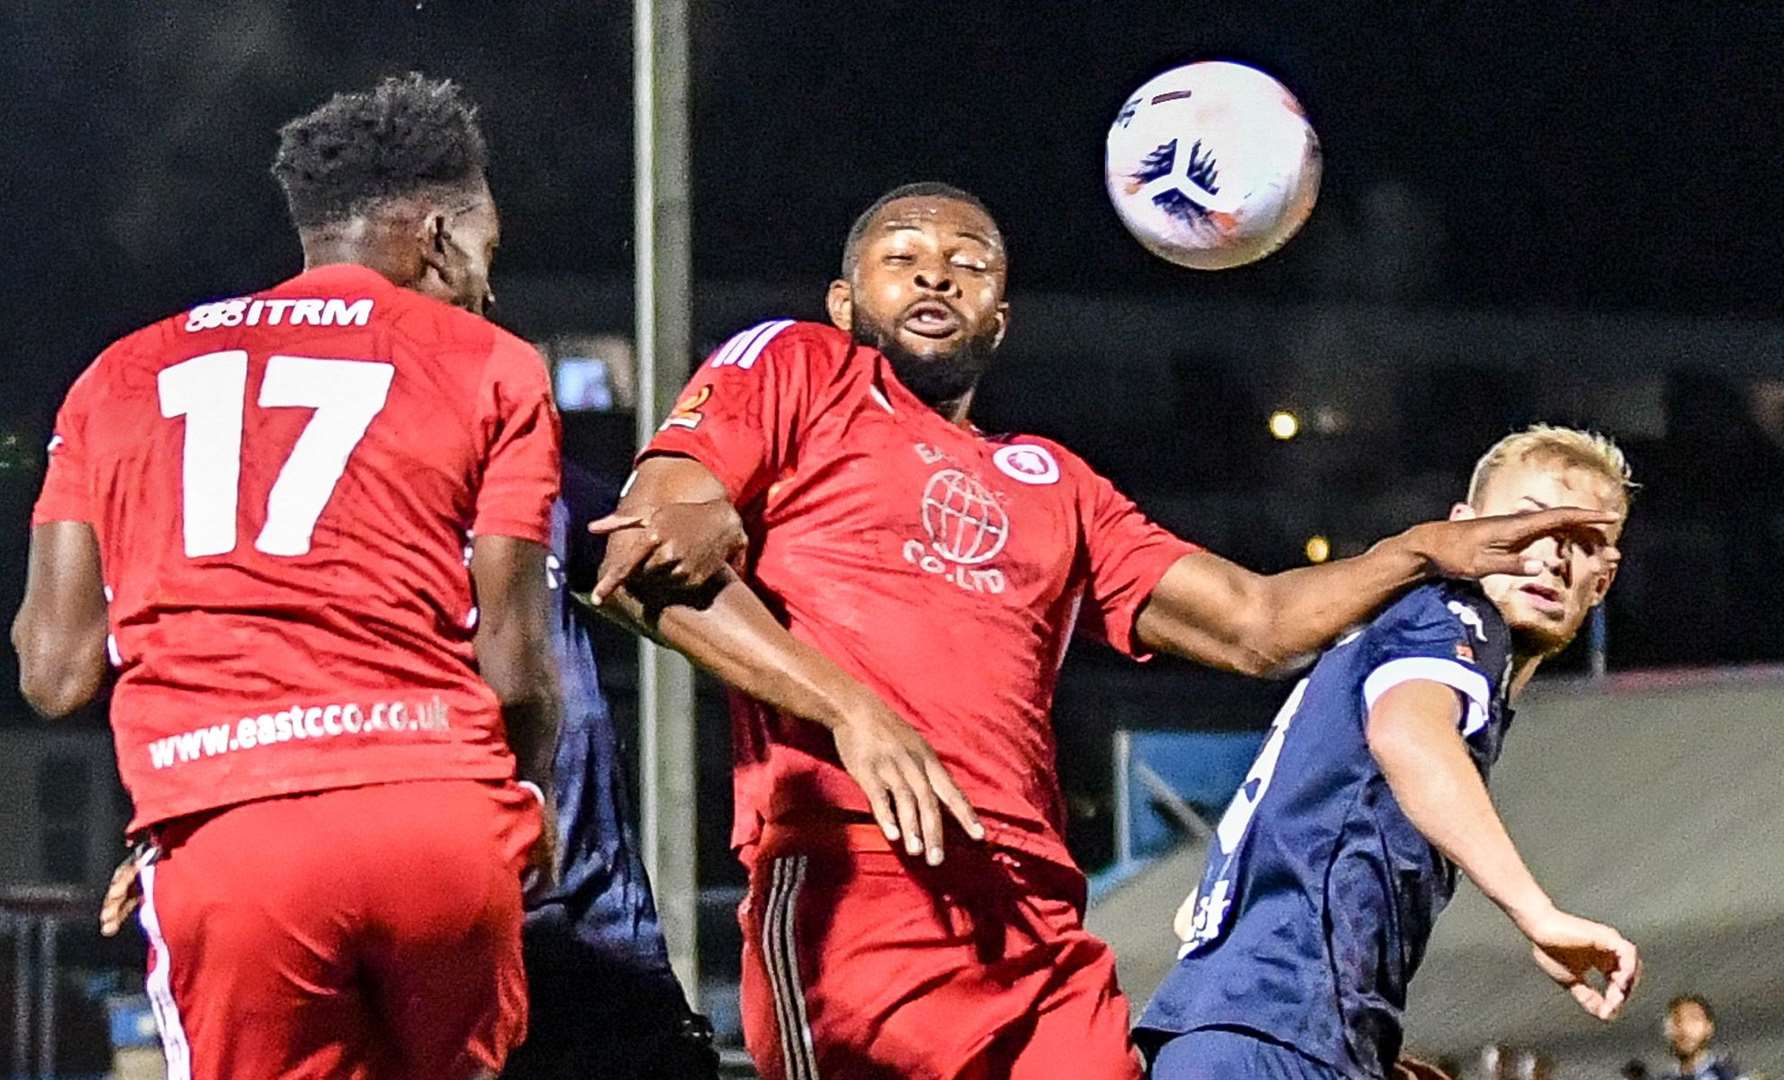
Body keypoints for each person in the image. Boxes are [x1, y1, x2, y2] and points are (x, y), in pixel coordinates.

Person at [587, 182, 1619, 1079]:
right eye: (901, 259)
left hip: (1036, 927)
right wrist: (851, 712)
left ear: (1002, 314)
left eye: (968, 263)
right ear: (843, 299)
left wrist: (1416, 551)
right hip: (858, 879)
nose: (936, 276)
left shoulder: (1055, 483)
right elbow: (636, 560)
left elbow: (1256, 623)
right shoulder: (801, 369)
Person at [14, 74, 560, 1080]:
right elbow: (517, 661)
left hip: (232, 829)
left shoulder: (118, 376)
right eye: (486, 248)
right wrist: (518, 802)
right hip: (435, 819)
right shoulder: (492, 363)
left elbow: (54, 673)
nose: (489, 281)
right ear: (437, 234)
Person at [1136, 425, 1644, 1079]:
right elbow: (1408, 735)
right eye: (1528, 523)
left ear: (1603, 580)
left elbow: (1196, 913)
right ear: (1464, 531)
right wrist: (1536, 913)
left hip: (1237, 1031)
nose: (1551, 555)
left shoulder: (1386, 640)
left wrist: (1357, 1045)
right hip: (1273, 1039)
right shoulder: (1454, 617)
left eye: (1582, 543)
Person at [501, 462, 718, 1080]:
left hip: (589, 937)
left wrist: (846, 706)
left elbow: (640, 547)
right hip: (428, 935)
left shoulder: (519, 450)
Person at [1660, 995, 1747, 1080]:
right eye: (1677, 1020)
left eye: (1694, 1019)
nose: (1685, 1027)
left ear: (1708, 1027)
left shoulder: (1727, 1075)